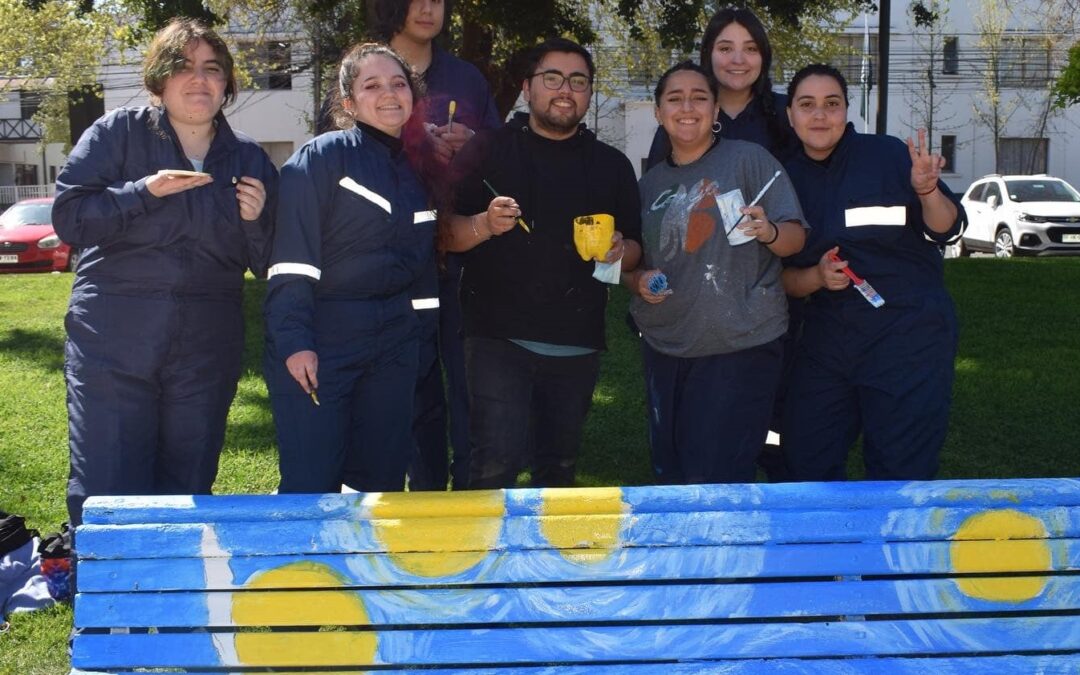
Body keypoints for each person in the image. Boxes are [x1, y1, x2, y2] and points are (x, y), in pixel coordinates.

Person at [52, 18, 275, 527]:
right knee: (107, 482)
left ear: (226, 84)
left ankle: (172, 596)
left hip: (205, 343)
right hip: (114, 335)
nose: (199, 79)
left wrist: (256, 222)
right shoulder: (116, 134)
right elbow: (69, 219)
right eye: (184, 67)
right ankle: (109, 596)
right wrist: (142, 192)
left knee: (188, 482)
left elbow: (266, 265)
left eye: (212, 69)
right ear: (159, 78)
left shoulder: (249, 160)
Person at [446, 37, 642, 489]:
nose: (565, 90)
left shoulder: (612, 165)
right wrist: (483, 224)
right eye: (552, 78)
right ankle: (484, 561)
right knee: (493, 466)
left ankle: (542, 563)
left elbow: (636, 250)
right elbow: (445, 235)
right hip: (497, 338)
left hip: (575, 342)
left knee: (557, 473)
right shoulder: (488, 150)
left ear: (589, 92)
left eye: (578, 81)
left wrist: (619, 249)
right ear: (527, 87)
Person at [780, 64, 966, 481]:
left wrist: (927, 191)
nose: (819, 115)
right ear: (790, 114)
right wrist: (817, 276)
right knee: (805, 461)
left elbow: (947, 227)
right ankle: (831, 544)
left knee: (900, 471)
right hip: (828, 343)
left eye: (831, 104)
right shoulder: (782, 179)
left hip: (908, 338)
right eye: (806, 105)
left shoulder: (887, 155)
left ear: (847, 111)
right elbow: (781, 279)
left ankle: (895, 545)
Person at [264, 43, 435, 493]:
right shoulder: (321, 157)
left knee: (379, 486)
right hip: (325, 339)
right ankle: (302, 564)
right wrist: (295, 343)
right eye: (372, 85)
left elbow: (422, 269)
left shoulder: (419, 171)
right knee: (312, 483)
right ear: (348, 103)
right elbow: (290, 260)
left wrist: (421, 340)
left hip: (396, 344)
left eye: (399, 83)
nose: (389, 94)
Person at [625, 62, 805, 485]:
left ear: (716, 110)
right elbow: (631, 263)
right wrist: (637, 280)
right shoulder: (649, 185)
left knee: (716, 479)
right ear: (658, 112)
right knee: (671, 474)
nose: (687, 107)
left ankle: (725, 553)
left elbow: (796, 238)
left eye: (700, 97)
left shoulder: (750, 160)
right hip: (665, 346)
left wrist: (769, 230)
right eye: (675, 98)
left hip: (739, 346)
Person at [370, 0, 502, 491]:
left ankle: (470, 496)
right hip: (395, 255)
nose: (428, 8)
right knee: (413, 385)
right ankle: (423, 495)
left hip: (468, 250)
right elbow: (342, 145)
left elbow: (498, 148)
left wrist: (471, 141)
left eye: (438, 0)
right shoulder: (370, 68)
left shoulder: (466, 77)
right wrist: (409, 138)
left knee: (470, 384)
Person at [645, 7, 796, 171]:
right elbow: (656, 188)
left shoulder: (788, 112)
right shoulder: (685, 116)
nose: (738, 60)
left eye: (751, 49)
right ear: (708, 54)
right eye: (725, 49)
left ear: (764, 57)